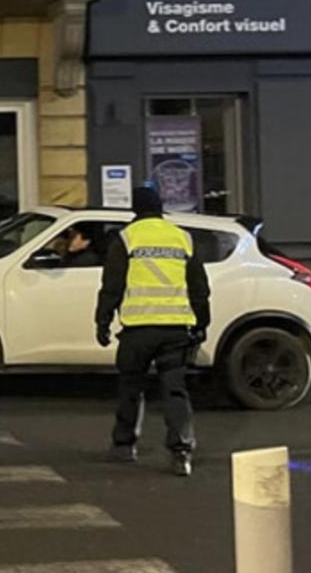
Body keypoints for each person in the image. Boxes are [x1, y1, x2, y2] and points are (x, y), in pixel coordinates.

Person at [95, 187, 210, 476]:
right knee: (174, 391)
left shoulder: (126, 238)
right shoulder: (182, 237)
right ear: (160, 208)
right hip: (175, 330)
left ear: (135, 209)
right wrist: (201, 324)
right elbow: (199, 288)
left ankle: (124, 446)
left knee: (131, 388)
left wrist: (103, 321)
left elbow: (112, 286)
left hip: (138, 330)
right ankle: (181, 451)